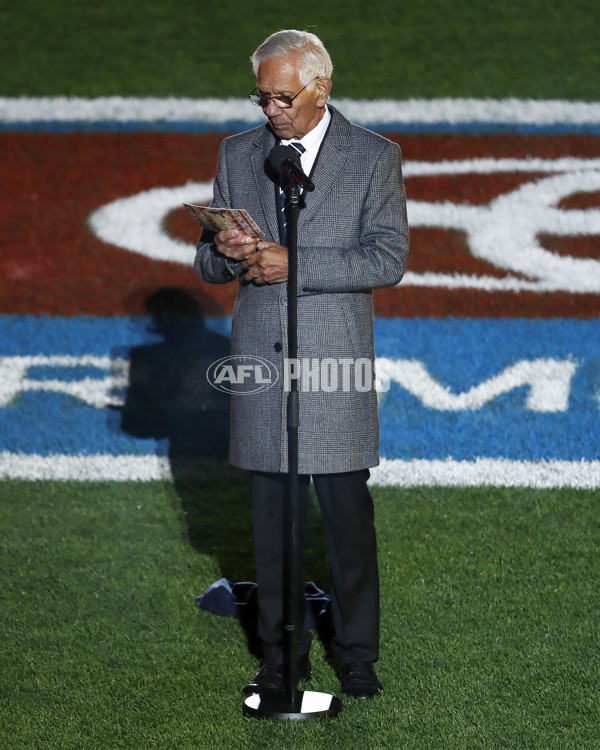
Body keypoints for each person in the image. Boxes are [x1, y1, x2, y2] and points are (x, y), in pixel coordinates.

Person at [194, 29, 409, 699]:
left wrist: (298, 266)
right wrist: (225, 251)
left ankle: (357, 658)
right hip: (263, 368)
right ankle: (283, 661)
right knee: (274, 529)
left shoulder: (374, 158)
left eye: (283, 97)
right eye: (261, 98)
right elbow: (204, 263)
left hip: (334, 371)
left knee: (347, 523)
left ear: (322, 88)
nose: (270, 112)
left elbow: (387, 258)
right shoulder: (237, 153)